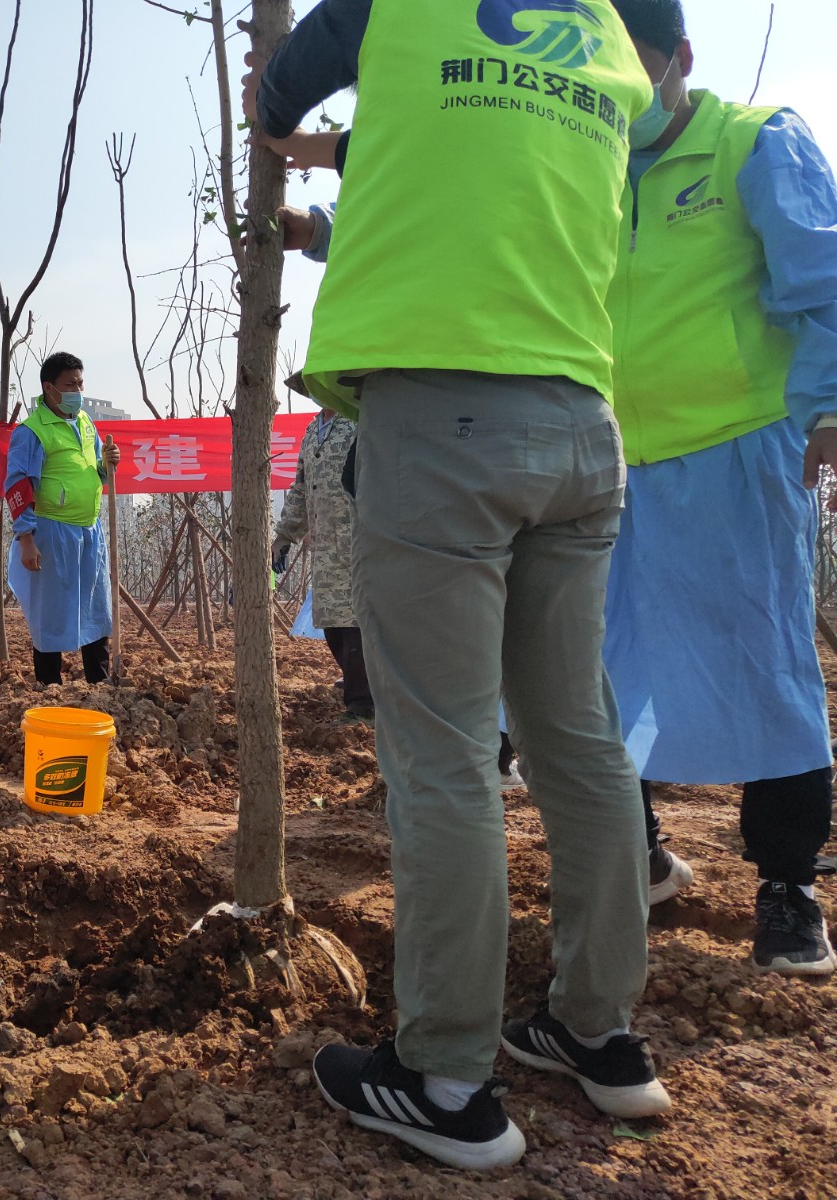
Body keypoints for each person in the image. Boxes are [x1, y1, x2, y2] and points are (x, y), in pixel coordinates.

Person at [246, 0, 668, 1169]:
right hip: (580, 426)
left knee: (441, 754)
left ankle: (443, 1077)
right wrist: (353, 151)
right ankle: (600, 1033)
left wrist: (281, 130)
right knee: (576, 738)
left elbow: (280, 95)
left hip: (444, 419)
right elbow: (480, 154)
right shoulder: (604, 41)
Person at [596, 0, 837, 974]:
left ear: (682, 59)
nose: (625, 95)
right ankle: (638, 854)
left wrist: (828, 407)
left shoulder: (755, 141)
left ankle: (787, 887)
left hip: (737, 450)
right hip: (610, 461)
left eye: (639, 68)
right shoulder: (590, 165)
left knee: (765, 659)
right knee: (603, 669)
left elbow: (823, 276)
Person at [5, 351, 122, 686]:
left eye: (80, 383)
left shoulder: (85, 423)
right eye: (70, 384)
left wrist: (108, 464)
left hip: (89, 530)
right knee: (52, 612)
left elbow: (95, 470)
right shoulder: (32, 431)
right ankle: (49, 687)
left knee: (96, 608)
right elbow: (17, 484)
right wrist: (26, 539)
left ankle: (99, 683)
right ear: (49, 388)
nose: (78, 391)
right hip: (52, 532)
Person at [272, 396, 370, 722]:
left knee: (355, 623)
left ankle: (364, 703)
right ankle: (360, 680)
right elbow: (301, 488)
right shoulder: (313, 430)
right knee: (332, 624)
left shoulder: (359, 422)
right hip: (325, 547)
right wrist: (284, 536)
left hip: (360, 542)